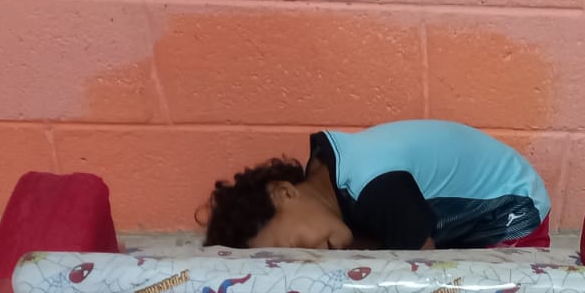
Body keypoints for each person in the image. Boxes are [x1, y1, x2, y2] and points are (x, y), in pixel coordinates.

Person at [202, 120, 551, 251]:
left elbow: (421, 278)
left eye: (293, 246)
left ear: (284, 193)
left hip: (513, 209)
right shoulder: (331, 181)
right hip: (458, 218)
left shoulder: (371, 184)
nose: (307, 259)